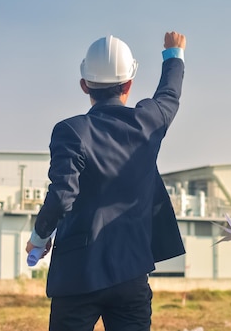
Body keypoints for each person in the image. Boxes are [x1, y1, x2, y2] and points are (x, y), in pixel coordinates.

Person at [26, 31, 187, 331]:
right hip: (132, 271)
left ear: (84, 84)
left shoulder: (71, 131)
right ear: (129, 84)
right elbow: (169, 94)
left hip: (78, 275)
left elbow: (62, 196)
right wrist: (173, 53)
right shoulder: (148, 121)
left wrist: (39, 238)